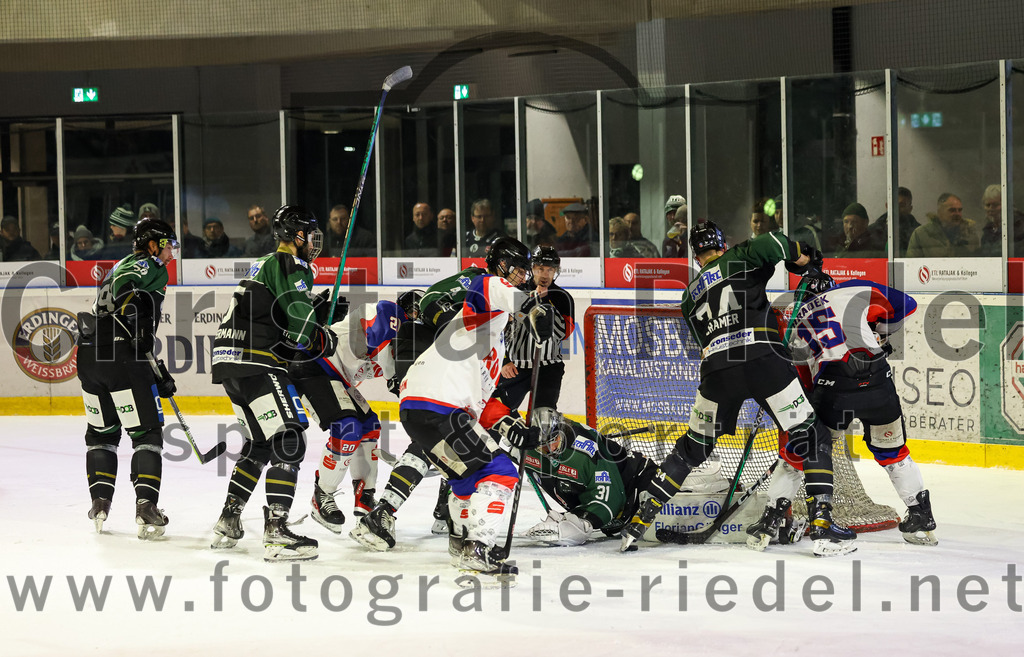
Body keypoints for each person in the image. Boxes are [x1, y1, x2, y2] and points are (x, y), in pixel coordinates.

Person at [619, 221, 857, 557]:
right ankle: (823, 527)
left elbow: (706, 343)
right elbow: (777, 242)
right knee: (811, 434)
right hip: (762, 360)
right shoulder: (742, 256)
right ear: (722, 244)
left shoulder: (689, 296)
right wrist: (806, 259)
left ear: (696, 256)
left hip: (717, 372)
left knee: (691, 450)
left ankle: (638, 522)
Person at [357, 238, 554, 580]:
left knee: (464, 477)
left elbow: (485, 401)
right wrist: (535, 308)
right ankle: (478, 548)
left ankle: (461, 543)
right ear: (501, 266)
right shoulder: (485, 289)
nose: (523, 276)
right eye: (518, 269)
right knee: (502, 472)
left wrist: (511, 428)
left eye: (525, 270)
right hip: (439, 402)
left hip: (417, 407)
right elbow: (500, 291)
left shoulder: (490, 338)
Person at [747, 271, 937, 549]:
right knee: (893, 452)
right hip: (878, 380)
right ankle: (921, 517)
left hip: (833, 389)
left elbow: (805, 381)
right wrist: (878, 331)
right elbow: (907, 304)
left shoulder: (798, 322)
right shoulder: (854, 288)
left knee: (806, 453)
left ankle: (770, 521)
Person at [208, 205, 335, 561]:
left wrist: (313, 314)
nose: (313, 242)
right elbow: (298, 330)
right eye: (309, 235)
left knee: (260, 444)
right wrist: (318, 331)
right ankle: (277, 531)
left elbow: (278, 311)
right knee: (290, 437)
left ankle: (229, 519)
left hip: (230, 360)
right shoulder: (290, 265)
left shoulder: (264, 263)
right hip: (255, 359)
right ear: (295, 236)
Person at [75, 218, 179, 537]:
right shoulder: (150, 266)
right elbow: (131, 301)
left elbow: (131, 327)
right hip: (119, 355)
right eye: (166, 245)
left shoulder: (120, 262)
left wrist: (155, 370)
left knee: (102, 434)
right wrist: (139, 316)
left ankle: (100, 504)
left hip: (91, 355)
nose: (170, 253)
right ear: (151, 245)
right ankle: (146, 507)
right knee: (147, 434)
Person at [291, 291, 420, 534]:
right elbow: (383, 337)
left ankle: (364, 497)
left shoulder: (404, 344)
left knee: (370, 426)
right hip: (313, 364)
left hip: (337, 377)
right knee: (348, 429)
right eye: (414, 312)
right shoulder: (389, 312)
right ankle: (322, 495)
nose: (415, 319)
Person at [516, 408, 729, 546]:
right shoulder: (530, 447)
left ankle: (719, 484)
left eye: (553, 441)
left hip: (638, 482)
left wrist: (584, 524)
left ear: (561, 431)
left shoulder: (586, 451)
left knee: (685, 492)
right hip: (624, 504)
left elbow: (611, 497)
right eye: (543, 445)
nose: (550, 448)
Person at [481, 245, 575, 426]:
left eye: (550, 269)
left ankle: (536, 451)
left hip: (549, 368)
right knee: (492, 414)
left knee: (543, 421)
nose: (545, 274)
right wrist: (504, 360)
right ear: (532, 269)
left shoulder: (563, 297)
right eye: (540, 269)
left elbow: (564, 334)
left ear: (556, 271)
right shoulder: (514, 291)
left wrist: (545, 305)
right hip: (516, 366)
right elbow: (498, 329)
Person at [906, 193, 980, 258]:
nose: (957, 214)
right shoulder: (921, 235)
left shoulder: (970, 236)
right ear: (940, 212)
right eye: (952, 210)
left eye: (959, 210)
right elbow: (911, 266)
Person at [872, 186, 919, 254]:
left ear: (910, 208)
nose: (896, 209)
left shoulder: (918, 233)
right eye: (893, 204)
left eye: (902, 205)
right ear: (887, 206)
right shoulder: (872, 232)